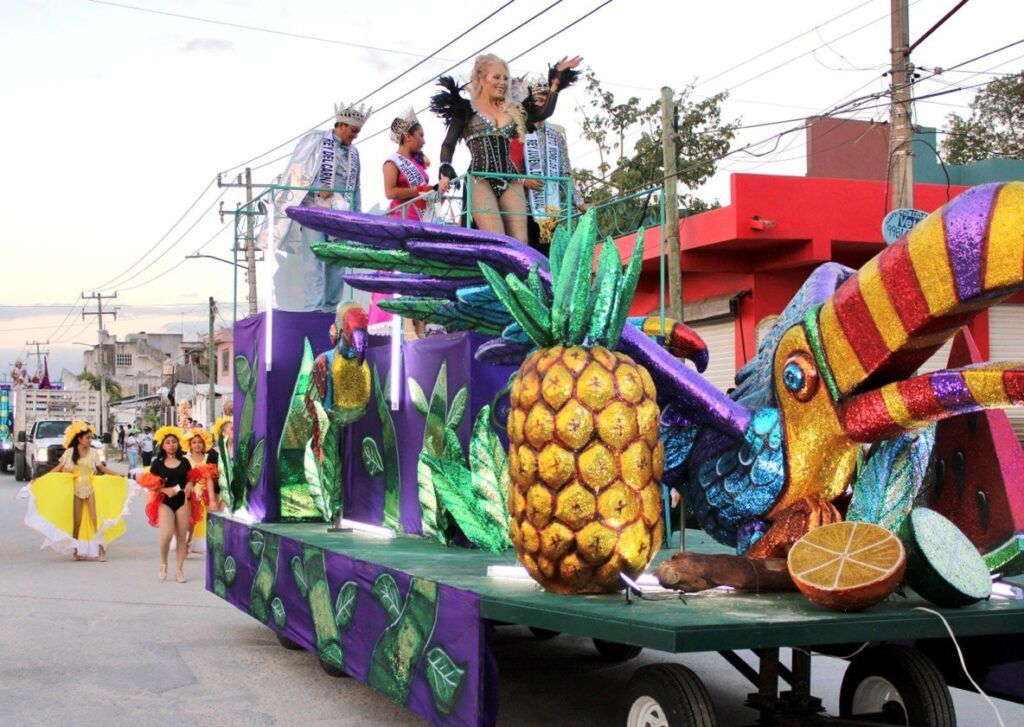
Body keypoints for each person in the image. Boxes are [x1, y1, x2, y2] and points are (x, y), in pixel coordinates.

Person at [431, 54, 581, 243]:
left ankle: (520, 273)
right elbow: (448, 144)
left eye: (505, 78)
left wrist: (556, 82)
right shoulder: (465, 109)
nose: (502, 82)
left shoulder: (513, 110)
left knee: (520, 242)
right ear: (481, 78)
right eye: (496, 77)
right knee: (499, 238)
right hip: (480, 179)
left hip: (510, 179)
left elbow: (544, 111)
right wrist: (445, 168)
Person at [262, 101, 373, 312]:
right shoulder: (316, 141)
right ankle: (313, 310)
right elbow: (297, 174)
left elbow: (356, 187)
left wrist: (357, 219)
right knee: (314, 262)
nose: (355, 135)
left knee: (337, 261)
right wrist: (315, 189)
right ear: (341, 125)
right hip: (315, 210)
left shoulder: (355, 153)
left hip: (341, 215)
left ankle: (331, 311)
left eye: (358, 131)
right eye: (353, 130)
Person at [20, 421, 129, 560]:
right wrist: (41, 479)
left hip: (91, 487)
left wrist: (118, 475)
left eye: (91, 438)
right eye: (88, 438)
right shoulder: (70, 452)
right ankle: (77, 550)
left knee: (96, 519)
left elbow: (102, 468)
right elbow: (58, 468)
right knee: (76, 521)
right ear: (79, 439)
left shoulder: (94, 453)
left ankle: (101, 550)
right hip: (75, 489)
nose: (90, 440)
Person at [375, 107, 438, 336]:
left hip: (421, 220)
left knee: (420, 273)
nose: (423, 140)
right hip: (401, 219)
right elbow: (390, 192)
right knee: (403, 272)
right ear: (407, 136)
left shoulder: (419, 165)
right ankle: (407, 327)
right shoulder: (392, 162)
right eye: (420, 135)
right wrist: (418, 190)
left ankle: (421, 325)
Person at [516, 75, 589, 253]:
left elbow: (565, 173)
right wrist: (523, 181)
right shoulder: (517, 131)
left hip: (549, 205)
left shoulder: (556, 135)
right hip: (522, 207)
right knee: (525, 254)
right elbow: (507, 167)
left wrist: (579, 202)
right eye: (536, 100)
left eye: (544, 100)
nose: (540, 104)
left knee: (547, 255)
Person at [139, 426, 195, 583]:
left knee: (181, 536)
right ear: (163, 445)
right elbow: (149, 483)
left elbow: (190, 478)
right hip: (165, 502)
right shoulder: (158, 463)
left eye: (174, 442)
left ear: (178, 444)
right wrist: (165, 489)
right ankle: (163, 563)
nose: (171, 445)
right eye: (168, 442)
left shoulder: (185, 462)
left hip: (183, 501)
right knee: (166, 535)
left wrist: (190, 484)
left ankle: (179, 570)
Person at [184, 427, 220, 555]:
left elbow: (210, 478)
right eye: (194, 442)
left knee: (206, 521)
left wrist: (213, 499)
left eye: (200, 442)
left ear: (204, 444)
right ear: (189, 444)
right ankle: (187, 541)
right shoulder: (185, 460)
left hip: (206, 493)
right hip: (190, 494)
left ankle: (205, 545)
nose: (197, 445)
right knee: (190, 521)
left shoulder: (208, 459)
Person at [212, 416, 234, 511]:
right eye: (232, 429)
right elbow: (210, 478)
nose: (236, 430)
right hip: (223, 497)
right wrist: (212, 499)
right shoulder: (215, 453)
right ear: (224, 433)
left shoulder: (242, 449)